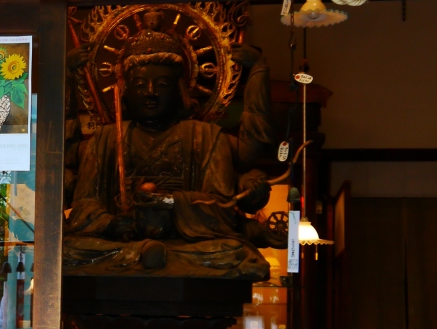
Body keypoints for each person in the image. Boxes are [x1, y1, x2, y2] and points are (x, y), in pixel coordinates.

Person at [63, 29, 279, 279]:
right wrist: (109, 223)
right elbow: (84, 205)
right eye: (139, 85)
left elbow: (221, 207)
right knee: (69, 250)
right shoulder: (105, 139)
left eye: (162, 84)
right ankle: (143, 253)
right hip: (120, 242)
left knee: (234, 252)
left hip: (189, 245)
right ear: (124, 91)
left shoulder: (206, 136)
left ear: (180, 91)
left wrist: (168, 202)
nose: (150, 92)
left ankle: (143, 255)